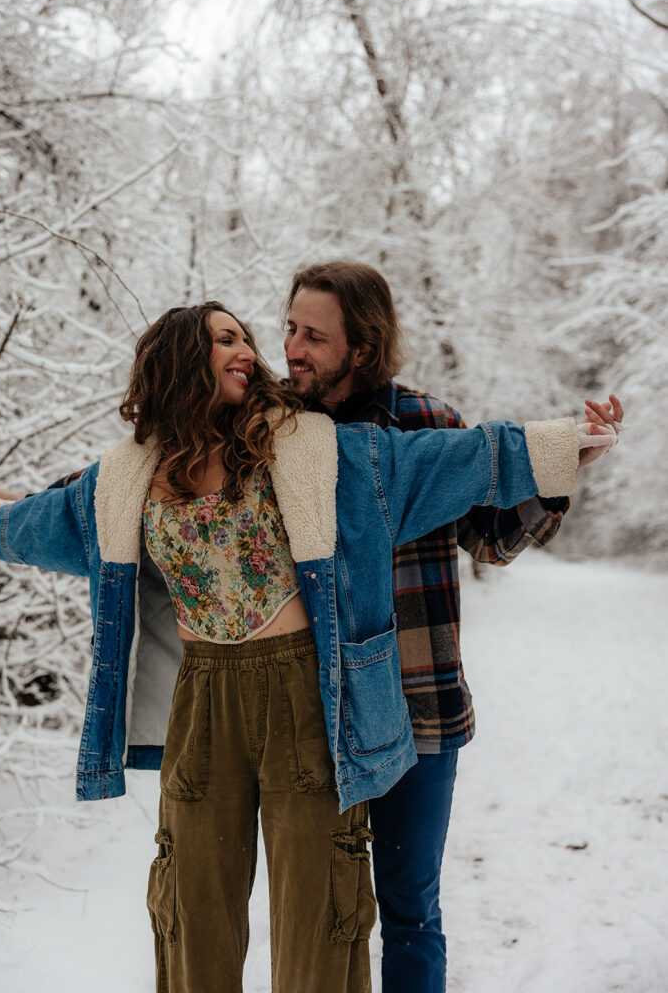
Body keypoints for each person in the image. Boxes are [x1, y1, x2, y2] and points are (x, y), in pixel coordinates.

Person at [0, 301, 618, 993]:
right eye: (225, 340)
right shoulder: (124, 479)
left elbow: (452, 460)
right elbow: (34, 523)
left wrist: (558, 444)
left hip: (309, 699)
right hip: (203, 704)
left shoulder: (318, 450)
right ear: (176, 360)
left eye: (244, 340)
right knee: (190, 909)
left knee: (319, 914)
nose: (249, 353)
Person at [280, 260, 625, 993]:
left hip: (418, 709)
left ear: (361, 348)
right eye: (289, 328)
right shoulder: (272, 434)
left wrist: (559, 465)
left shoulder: (426, 424)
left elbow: (492, 540)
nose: (292, 347)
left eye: (312, 334)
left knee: (409, 910)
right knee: (317, 913)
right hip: (308, 714)